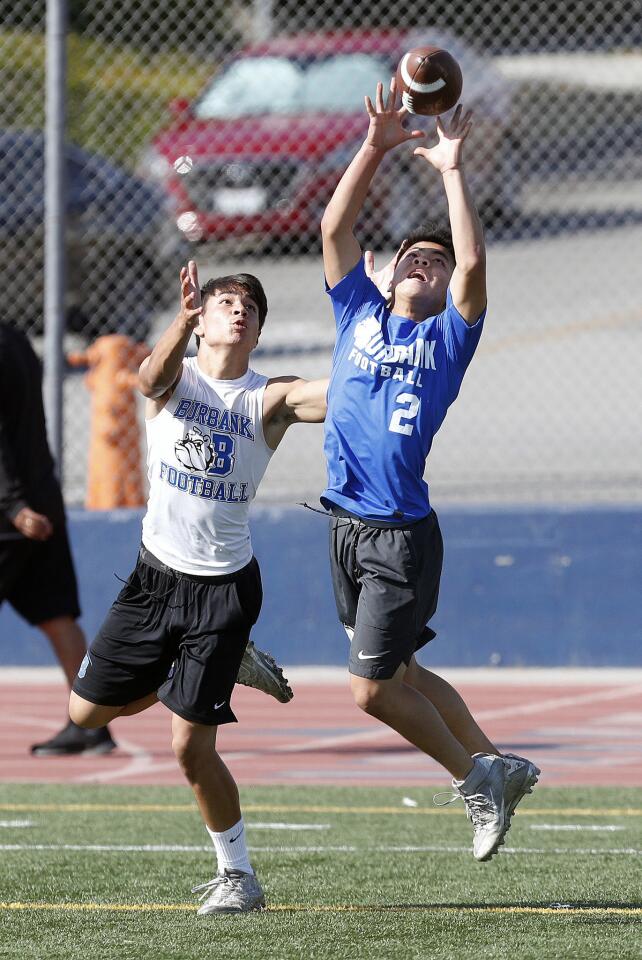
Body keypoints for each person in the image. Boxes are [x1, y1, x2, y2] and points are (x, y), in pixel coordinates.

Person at [320, 78, 539, 862]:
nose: (425, 262)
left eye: (434, 263)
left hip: (398, 537)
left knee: (373, 689)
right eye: (413, 256)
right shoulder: (358, 312)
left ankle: (475, 780)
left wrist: (450, 170)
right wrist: (376, 146)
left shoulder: (446, 342)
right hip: (343, 525)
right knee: (405, 667)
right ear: (387, 276)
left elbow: (474, 263)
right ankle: (501, 763)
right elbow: (335, 224)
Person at [69, 262, 328, 914]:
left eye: (248, 306)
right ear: (202, 321)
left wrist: (381, 340)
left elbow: (329, 399)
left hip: (224, 591)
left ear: (260, 329)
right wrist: (181, 319)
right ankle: (215, 667)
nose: (235, 311)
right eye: (223, 303)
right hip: (154, 579)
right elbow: (147, 377)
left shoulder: (268, 397)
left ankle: (238, 876)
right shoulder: (174, 381)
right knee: (85, 716)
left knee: (188, 746)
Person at [0, 322, 117, 756]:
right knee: (55, 615)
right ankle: (91, 725)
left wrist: (13, 506)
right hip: (40, 495)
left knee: (56, 614)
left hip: (12, 510)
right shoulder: (14, 338)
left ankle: (89, 724)